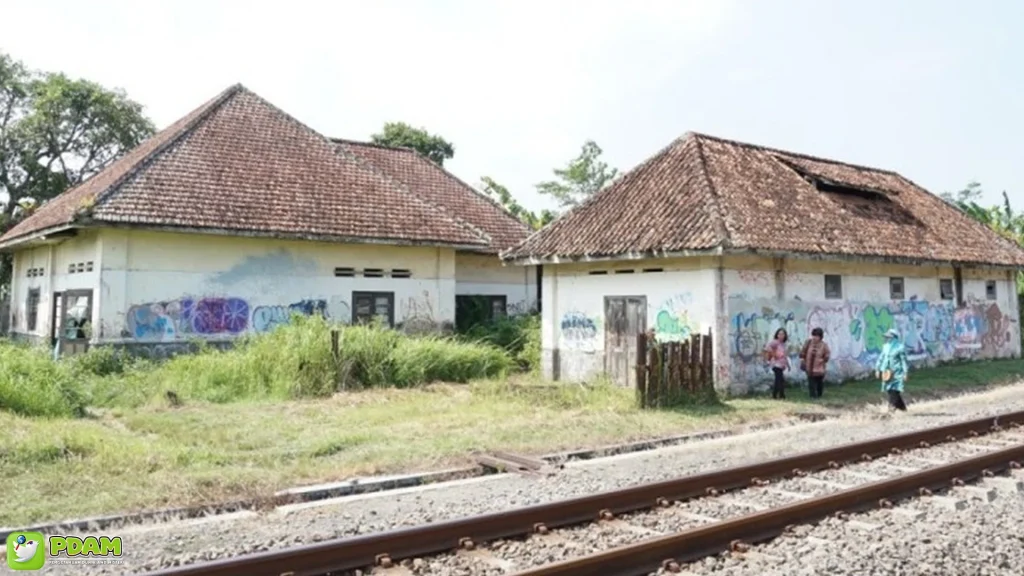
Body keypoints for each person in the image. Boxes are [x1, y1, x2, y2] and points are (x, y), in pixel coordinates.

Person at [875, 328, 909, 412]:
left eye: (889, 337)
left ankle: (891, 409)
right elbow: (881, 358)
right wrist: (877, 369)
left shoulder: (900, 347)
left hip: (897, 372)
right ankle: (903, 408)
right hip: (886, 372)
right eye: (886, 337)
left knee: (895, 390)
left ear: (894, 338)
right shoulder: (885, 347)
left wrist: (905, 372)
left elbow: (903, 361)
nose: (887, 339)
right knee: (889, 390)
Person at [799, 327, 831, 399]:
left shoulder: (824, 345)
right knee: (811, 382)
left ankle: (819, 394)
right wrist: (802, 359)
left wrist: (823, 360)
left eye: (817, 336)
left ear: (820, 337)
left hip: (819, 367)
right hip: (809, 367)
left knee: (819, 382)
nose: (815, 337)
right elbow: (803, 352)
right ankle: (813, 396)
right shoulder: (808, 343)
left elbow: (827, 354)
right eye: (814, 335)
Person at [763, 328, 790, 399]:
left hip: (782, 365)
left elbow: (785, 356)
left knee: (780, 380)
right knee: (779, 380)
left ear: (785, 335)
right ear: (777, 335)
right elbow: (767, 347)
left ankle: (776, 395)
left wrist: (788, 365)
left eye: (783, 334)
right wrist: (773, 354)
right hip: (776, 364)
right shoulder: (775, 342)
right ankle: (781, 395)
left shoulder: (783, 344)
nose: (781, 335)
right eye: (779, 334)